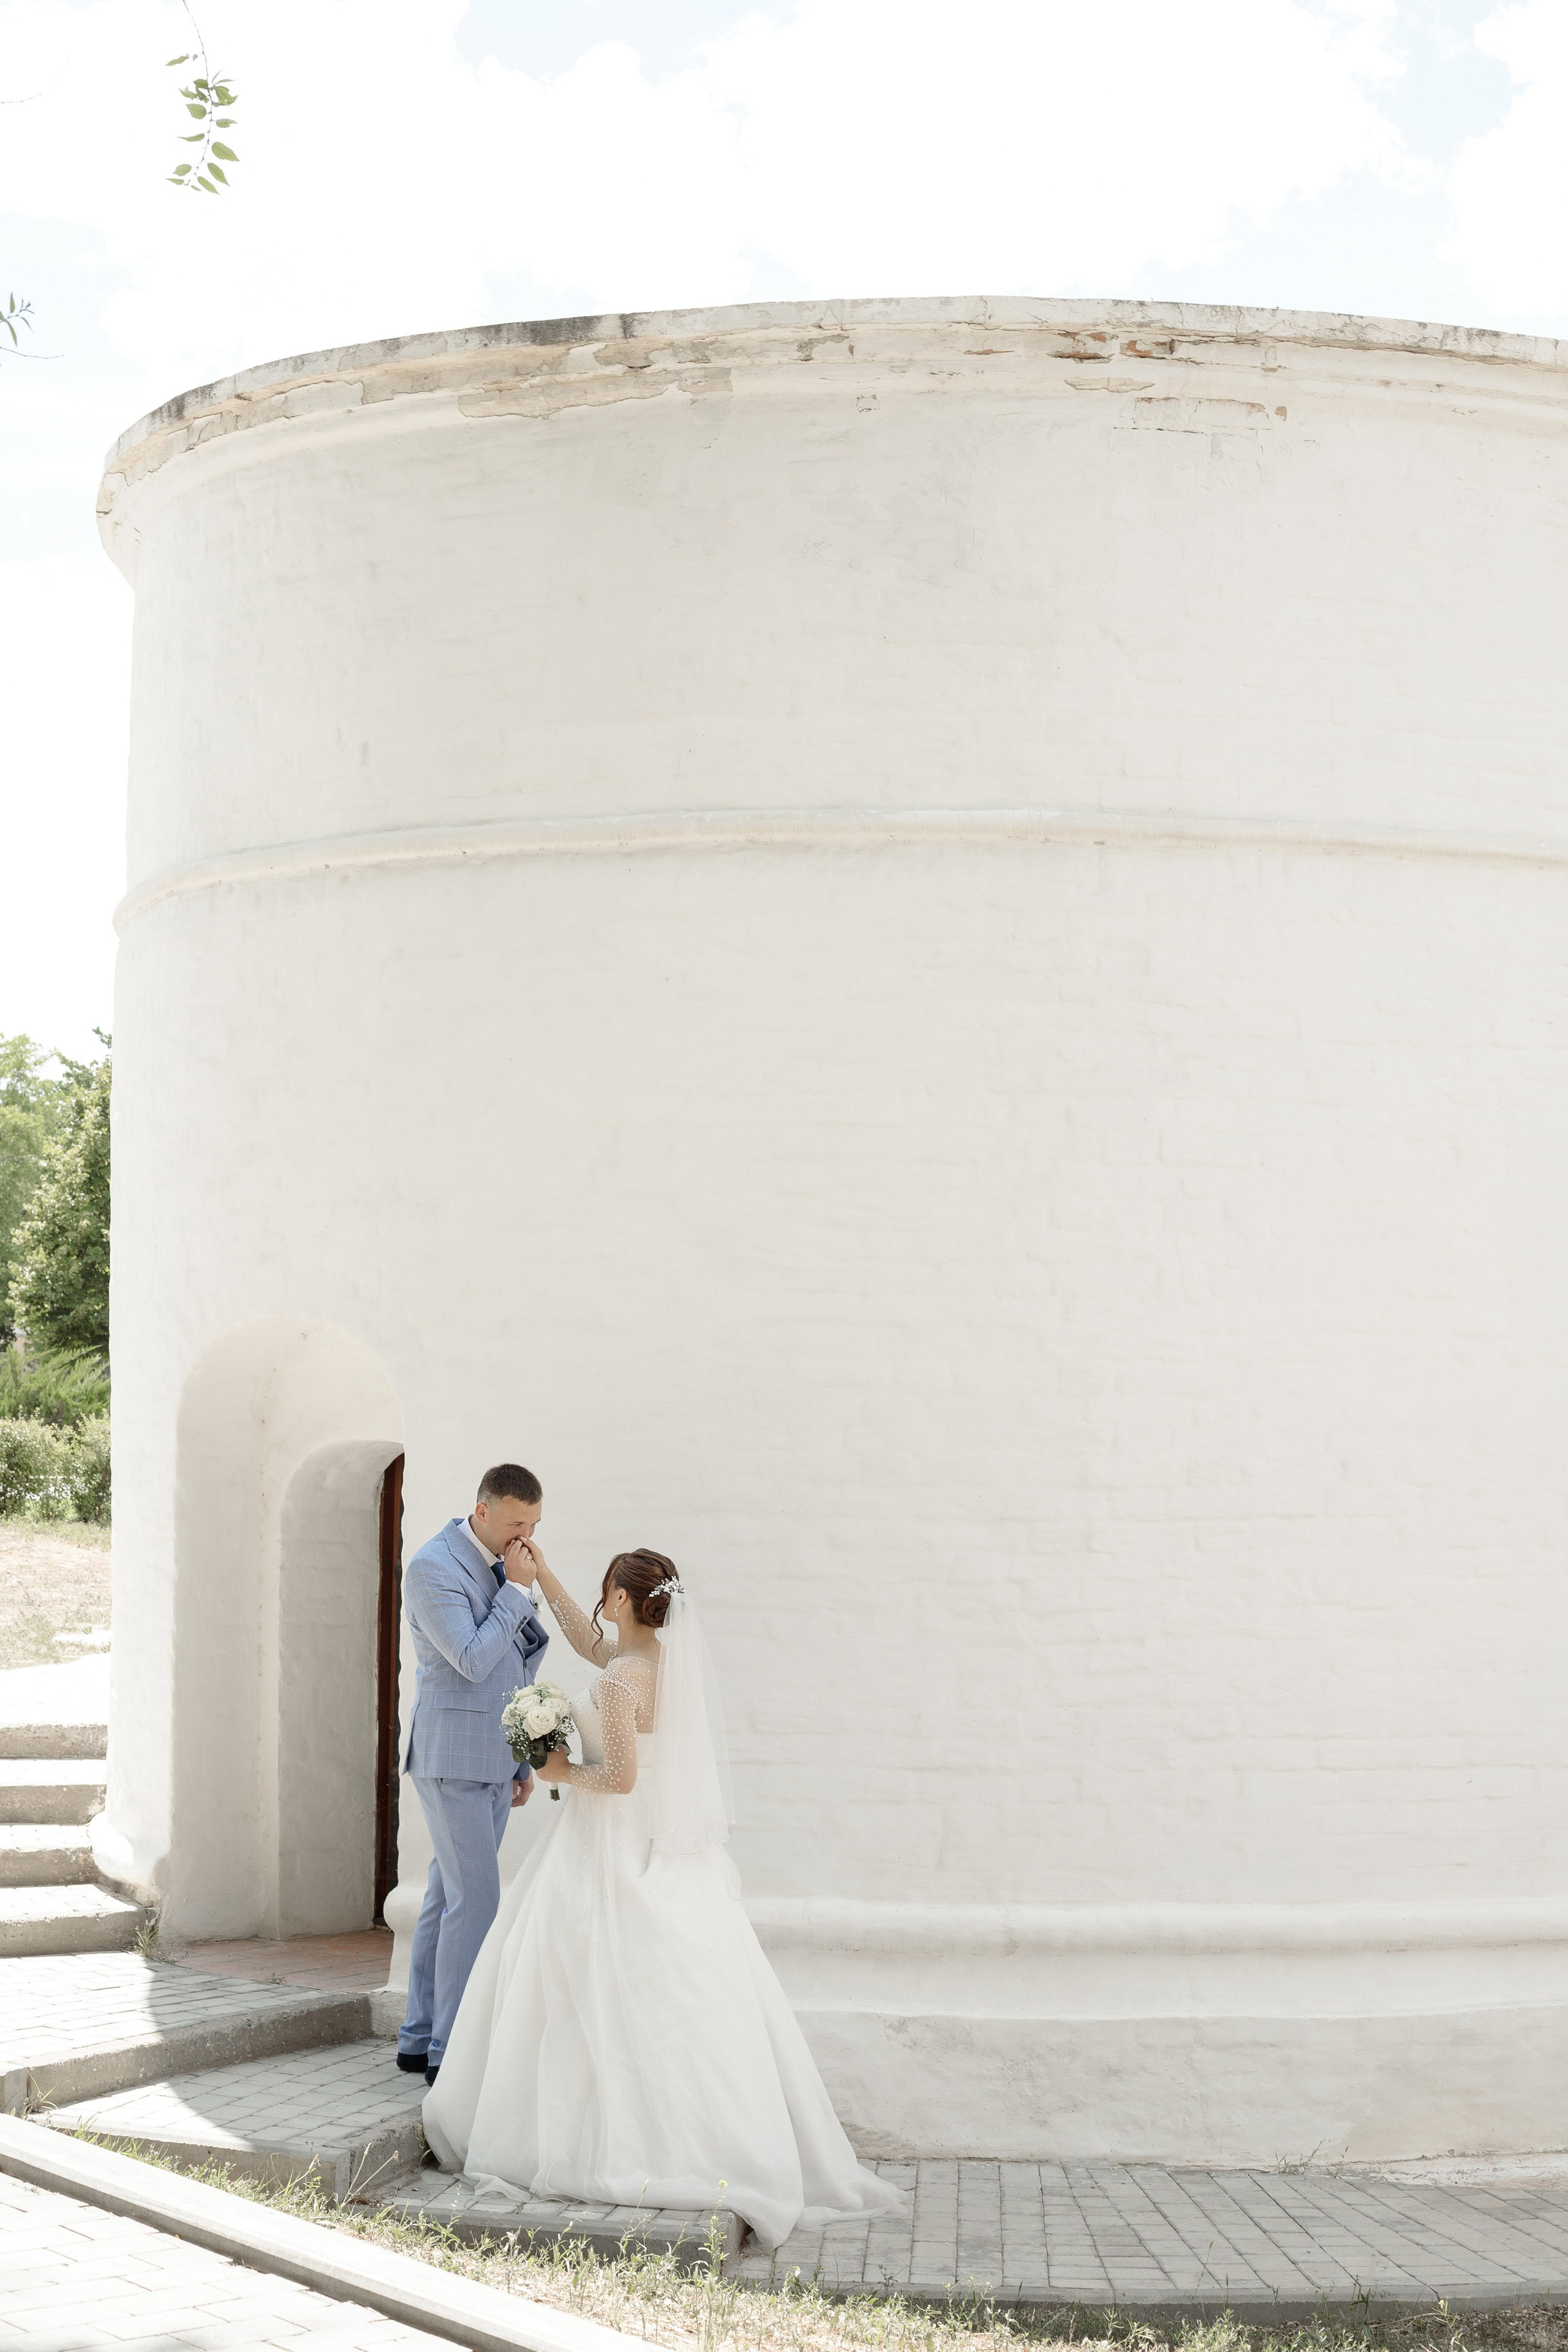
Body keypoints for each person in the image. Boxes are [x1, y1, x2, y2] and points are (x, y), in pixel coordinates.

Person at [423, 1544, 902, 2249]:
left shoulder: (621, 1681)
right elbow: (591, 1645)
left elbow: (617, 1778)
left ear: (621, 1597)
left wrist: (557, 1767)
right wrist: (546, 1574)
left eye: (603, 1589)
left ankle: (599, 2138)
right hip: (652, 1845)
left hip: (607, 1841)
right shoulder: (657, 1665)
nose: (598, 1600)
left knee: (577, 1980)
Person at [396, 1463, 551, 2084]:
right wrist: (515, 1592)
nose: (526, 1535)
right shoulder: (433, 1567)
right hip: (452, 1758)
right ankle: (451, 2052)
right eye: (517, 1522)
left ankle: (417, 2039)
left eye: (535, 1524)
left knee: (444, 1895)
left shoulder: (499, 1563)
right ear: (481, 1511)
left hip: (492, 1756)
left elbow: (516, 1660)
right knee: (477, 1900)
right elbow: (468, 1659)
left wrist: (520, 1756)